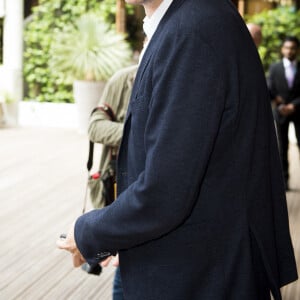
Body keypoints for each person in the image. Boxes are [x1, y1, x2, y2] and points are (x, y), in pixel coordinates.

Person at [57, 1, 298, 299]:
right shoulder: (191, 21)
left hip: (201, 275)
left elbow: (166, 190)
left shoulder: (192, 31)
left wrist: (87, 233)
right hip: (195, 263)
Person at [87, 64, 138, 300]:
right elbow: (95, 126)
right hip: (121, 184)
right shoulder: (124, 79)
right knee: (124, 261)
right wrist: (135, 135)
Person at [268, 36, 300, 191]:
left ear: (297, 50)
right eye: (287, 47)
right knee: (282, 147)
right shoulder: (275, 68)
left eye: (293, 48)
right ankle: (284, 182)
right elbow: (269, 88)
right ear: (282, 49)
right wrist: (279, 104)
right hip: (280, 112)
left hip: (298, 112)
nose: (289, 50)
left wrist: (293, 105)